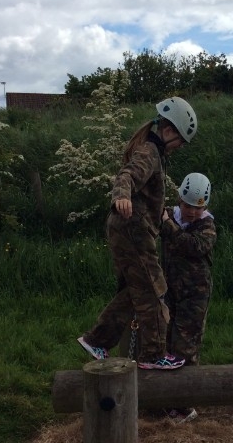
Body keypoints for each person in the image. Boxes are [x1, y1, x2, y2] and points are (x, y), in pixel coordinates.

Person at [77, 96, 197, 370]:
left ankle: (96, 340)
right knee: (155, 288)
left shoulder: (156, 153)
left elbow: (149, 199)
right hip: (132, 230)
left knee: (136, 290)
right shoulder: (149, 152)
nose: (180, 147)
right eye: (180, 141)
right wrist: (122, 196)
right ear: (169, 131)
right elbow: (127, 175)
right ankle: (153, 354)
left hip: (131, 229)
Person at [159, 172, 216, 422]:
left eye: (197, 207)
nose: (192, 212)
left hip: (195, 296)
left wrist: (167, 225)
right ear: (179, 200)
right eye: (187, 206)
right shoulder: (168, 216)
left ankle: (185, 405)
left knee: (185, 347)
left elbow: (193, 246)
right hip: (169, 291)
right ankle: (166, 399)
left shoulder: (207, 226)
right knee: (165, 344)